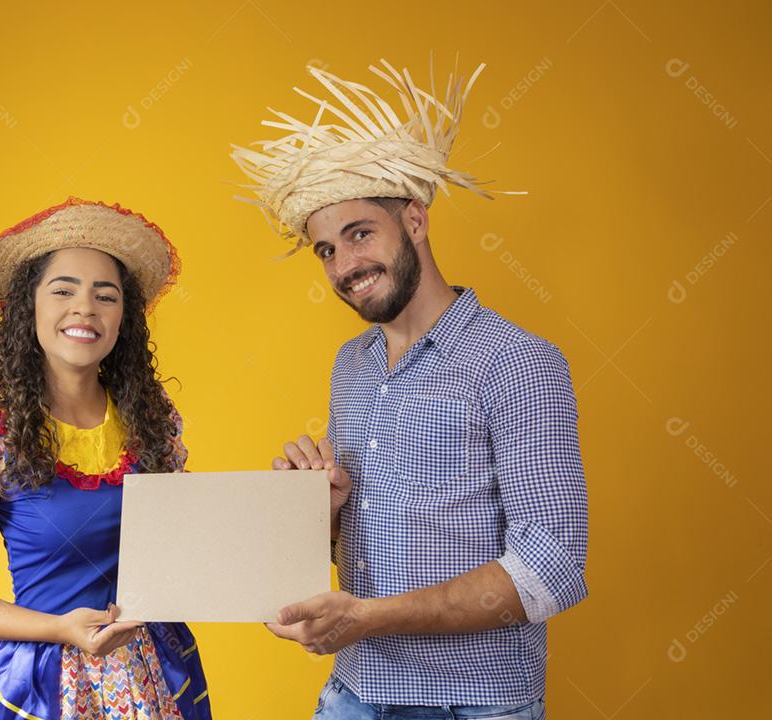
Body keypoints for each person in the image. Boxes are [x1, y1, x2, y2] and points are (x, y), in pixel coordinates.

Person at [231, 58, 588, 719]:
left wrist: (369, 619)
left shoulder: (519, 362)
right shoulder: (351, 364)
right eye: (327, 250)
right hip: (353, 694)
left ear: (416, 221)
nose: (345, 266)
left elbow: (552, 565)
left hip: (474, 705)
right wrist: (322, 509)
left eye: (359, 233)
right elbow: (366, 547)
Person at [0, 196, 210, 719]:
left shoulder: (155, 423)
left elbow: (184, 551)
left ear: (125, 317)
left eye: (106, 295)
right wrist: (58, 628)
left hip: (154, 675)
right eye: (63, 290)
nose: (85, 308)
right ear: (29, 306)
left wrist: (296, 507)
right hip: (41, 683)